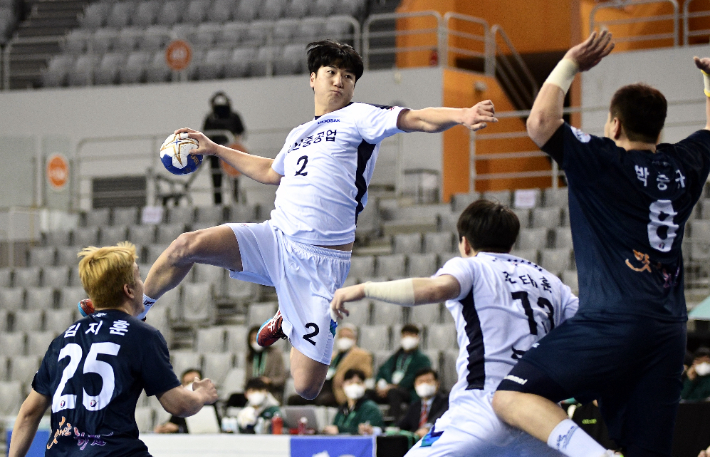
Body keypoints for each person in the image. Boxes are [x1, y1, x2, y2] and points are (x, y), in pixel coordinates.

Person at [80, 39, 497, 402]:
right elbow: (270, 172)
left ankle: (289, 320)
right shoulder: (299, 133)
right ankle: (137, 313)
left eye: (348, 76)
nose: (339, 80)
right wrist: (216, 148)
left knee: (306, 385)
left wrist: (461, 114)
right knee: (184, 246)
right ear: (312, 78)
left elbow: (417, 118)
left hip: (320, 262)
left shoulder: (362, 117)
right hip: (274, 238)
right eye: (331, 72)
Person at [491, 30, 710, 457]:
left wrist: (570, 62)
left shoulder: (604, 159)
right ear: (659, 129)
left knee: (512, 394)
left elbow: (539, 124)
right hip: (668, 333)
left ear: (614, 125)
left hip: (611, 324)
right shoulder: (684, 164)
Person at [331, 199, 579, 457]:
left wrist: (365, 289)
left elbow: (435, 289)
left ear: (465, 243)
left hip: (483, 408)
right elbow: (590, 331)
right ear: (511, 241)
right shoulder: (553, 284)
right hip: (538, 413)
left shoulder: (472, 266)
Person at [4, 243, 218, 457]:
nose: (143, 284)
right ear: (129, 290)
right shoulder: (142, 335)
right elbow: (179, 405)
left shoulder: (61, 341)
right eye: (138, 278)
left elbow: (28, 414)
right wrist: (201, 395)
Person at [288, 322, 373, 406]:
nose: (344, 339)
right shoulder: (333, 356)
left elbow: (366, 373)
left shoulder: (362, 355)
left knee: (323, 400)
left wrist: (346, 378)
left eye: (348, 336)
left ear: (355, 339)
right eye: (341, 336)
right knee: (294, 399)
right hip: (322, 386)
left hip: (338, 390)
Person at [372, 324, 431, 420]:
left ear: (417, 338)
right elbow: (383, 370)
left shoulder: (422, 359)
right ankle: (372, 421)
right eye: (405, 335)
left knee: (394, 392)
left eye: (411, 335)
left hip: (408, 391)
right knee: (368, 393)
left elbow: (416, 377)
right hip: (389, 389)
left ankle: (395, 421)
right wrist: (379, 385)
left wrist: (393, 386)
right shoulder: (396, 356)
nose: (407, 338)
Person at [202, 91, 246, 204]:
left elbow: (241, 133)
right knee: (216, 180)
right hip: (214, 154)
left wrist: (236, 142)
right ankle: (218, 204)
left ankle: (235, 202)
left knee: (234, 179)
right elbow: (204, 135)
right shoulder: (210, 118)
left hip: (231, 153)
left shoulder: (234, 117)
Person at [322, 369, 384, 435]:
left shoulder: (370, 408)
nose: (354, 386)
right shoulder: (343, 409)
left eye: (358, 383)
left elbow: (370, 431)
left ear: (364, 385)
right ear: (343, 385)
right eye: (350, 382)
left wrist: (340, 430)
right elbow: (334, 427)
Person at [397, 368, 448, 438]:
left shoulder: (446, 401)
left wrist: (427, 428)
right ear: (415, 385)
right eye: (420, 382)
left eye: (428, 381)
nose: (424, 384)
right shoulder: (414, 406)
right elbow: (401, 426)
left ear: (437, 384)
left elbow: (443, 416)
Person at [154, 368, 203, 433]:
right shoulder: (181, 405)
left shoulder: (212, 402)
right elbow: (172, 423)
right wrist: (163, 428)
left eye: (193, 382)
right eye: (187, 383)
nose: (191, 385)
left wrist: (179, 429)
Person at [246, 325, 287, 402]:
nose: (255, 342)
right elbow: (247, 380)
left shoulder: (276, 354)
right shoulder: (250, 357)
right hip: (253, 393)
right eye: (252, 340)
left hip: (271, 392)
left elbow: (282, 378)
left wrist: (269, 381)